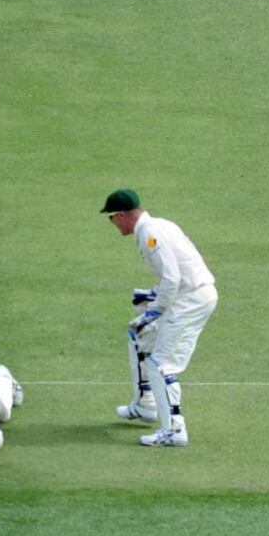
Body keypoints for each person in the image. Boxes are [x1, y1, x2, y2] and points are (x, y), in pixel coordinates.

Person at [102, 189, 218, 447]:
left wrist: (155, 309)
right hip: (187, 295)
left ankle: (175, 431)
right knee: (139, 336)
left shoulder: (151, 234)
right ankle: (146, 406)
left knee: (161, 364)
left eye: (111, 218)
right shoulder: (158, 226)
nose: (112, 224)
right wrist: (151, 297)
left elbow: (173, 278)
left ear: (122, 215)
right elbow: (179, 274)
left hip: (191, 301)